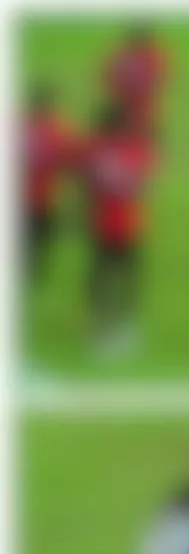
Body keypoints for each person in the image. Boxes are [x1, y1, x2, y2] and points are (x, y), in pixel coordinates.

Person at [82, 104, 155, 358]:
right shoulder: (134, 150)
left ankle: (98, 323)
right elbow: (142, 184)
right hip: (127, 223)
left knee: (101, 275)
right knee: (127, 275)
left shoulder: (94, 151)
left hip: (101, 222)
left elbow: (88, 186)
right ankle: (124, 323)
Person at [23, 85, 76, 286]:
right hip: (42, 198)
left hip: (31, 198)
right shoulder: (56, 131)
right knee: (39, 239)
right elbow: (71, 159)